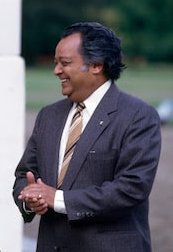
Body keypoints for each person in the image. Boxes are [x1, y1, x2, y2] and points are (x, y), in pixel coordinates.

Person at [13, 22, 161, 252]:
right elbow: (25, 174)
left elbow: (132, 189)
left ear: (96, 65)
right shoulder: (48, 115)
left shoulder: (138, 115)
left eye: (65, 63)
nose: (56, 71)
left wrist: (58, 199)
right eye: (55, 63)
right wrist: (30, 200)